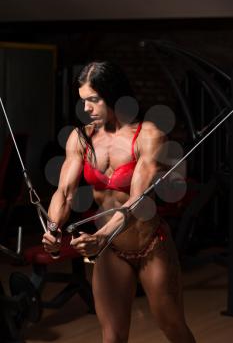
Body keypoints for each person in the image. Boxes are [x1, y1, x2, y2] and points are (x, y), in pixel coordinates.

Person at [42, 61, 196, 343]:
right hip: (112, 251)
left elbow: (137, 200)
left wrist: (99, 235)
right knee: (112, 337)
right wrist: (53, 228)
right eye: (83, 101)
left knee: (173, 327)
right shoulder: (81, 138)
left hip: (151, 245)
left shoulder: (148, 135)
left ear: (112, 95)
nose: (86, 108)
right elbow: (64, 193)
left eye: (93, 100)